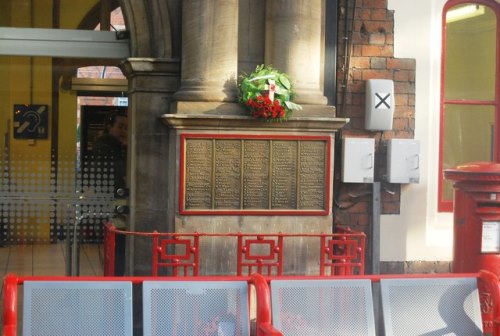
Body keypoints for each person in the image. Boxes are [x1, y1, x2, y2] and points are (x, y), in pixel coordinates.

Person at [92, 109, 128, 276]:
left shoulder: (120, 147)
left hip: (117, 205)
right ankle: (116, 279)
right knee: (117, 246)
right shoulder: (106, 148)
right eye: (120, 126)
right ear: (109, 127)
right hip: (114, 206)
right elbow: (116, 177)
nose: (124, 131)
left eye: (127, 127)